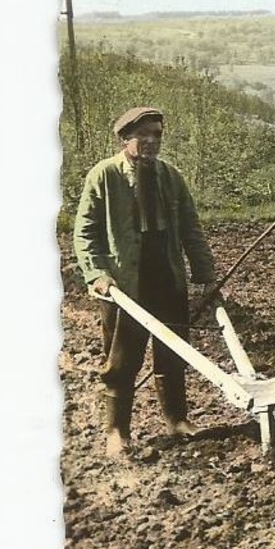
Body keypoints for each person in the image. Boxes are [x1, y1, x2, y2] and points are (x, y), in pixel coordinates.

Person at [73, 107, 217, 457]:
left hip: (166, 275)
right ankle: (117, 432)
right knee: (122, 360)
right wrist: (97, 274)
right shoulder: (104, 176)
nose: (152, 141)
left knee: (172, 353)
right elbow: (85, 233)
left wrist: (205, 273)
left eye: (157, 135)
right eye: (144, 135)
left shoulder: (171, 176)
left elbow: (190, 228)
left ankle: (177, 421)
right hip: (124, 282)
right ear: (125, 139)